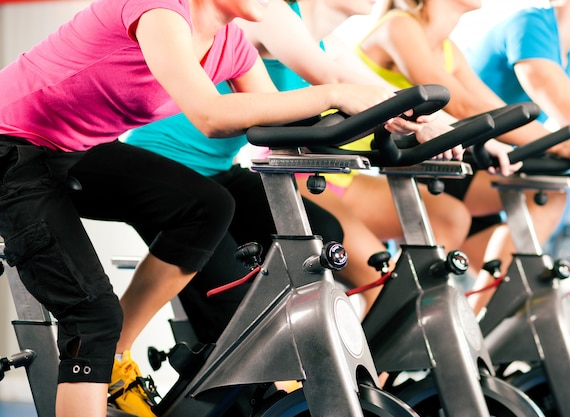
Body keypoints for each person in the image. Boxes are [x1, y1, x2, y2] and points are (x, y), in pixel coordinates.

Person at [0, 0, 402, 415]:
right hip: (12, 146)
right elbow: (210, 115)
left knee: (206, 206)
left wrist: (392, 123)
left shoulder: (230, 44)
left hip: (77, 148)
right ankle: (106, 351)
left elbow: (282, 128)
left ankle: (117, 356)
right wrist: (336, 93)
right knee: (93, 319)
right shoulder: (159, 11)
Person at [126, 0, 519, 325]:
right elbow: (333, 80)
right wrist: (418, 121)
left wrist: (458, 131)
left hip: (220, 171)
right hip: (167, 163)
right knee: (234, 300)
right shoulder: (274, 14)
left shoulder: (326, 39)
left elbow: (380, 90)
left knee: (326, 233)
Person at [354, 0, 570, 314]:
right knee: (528, 197)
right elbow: (463, 107)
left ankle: (480, 331)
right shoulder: (400, 25)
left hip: (450, 162)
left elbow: (496, 111)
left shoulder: (449, 48)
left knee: (523, 223)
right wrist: (561, 144)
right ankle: (472, 328)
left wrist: (556, 142)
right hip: (404, 167)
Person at [462, 0, 570, 311]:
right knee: (547, 195)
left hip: (497, 168)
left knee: (522, 296)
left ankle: (487, 320)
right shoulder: (531, 25)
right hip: (463, 160)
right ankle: (475, 321)